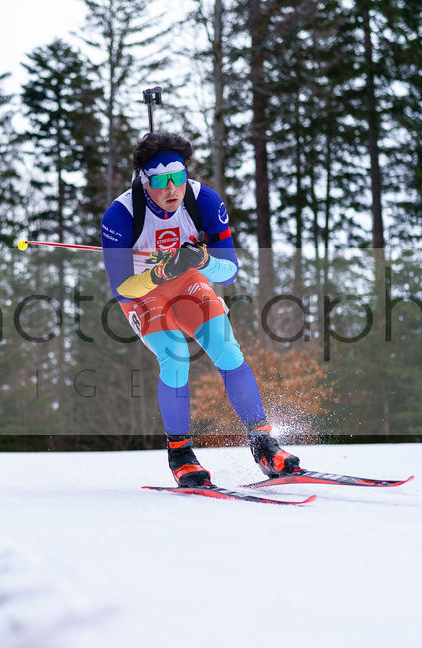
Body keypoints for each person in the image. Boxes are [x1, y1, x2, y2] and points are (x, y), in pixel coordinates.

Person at [100, 131, 303, 487]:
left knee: (226, 348)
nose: (171, 189)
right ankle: (181, 454)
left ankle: (264, 444)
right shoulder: (120, 215)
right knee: (175, 354)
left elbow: (230, 269)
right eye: (160, 181)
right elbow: (121, 287)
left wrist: (204, 260)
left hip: (186, 280)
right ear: (144, 182)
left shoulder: (204, 200)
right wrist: (160, 271)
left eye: (177, 177)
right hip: (142, 289)